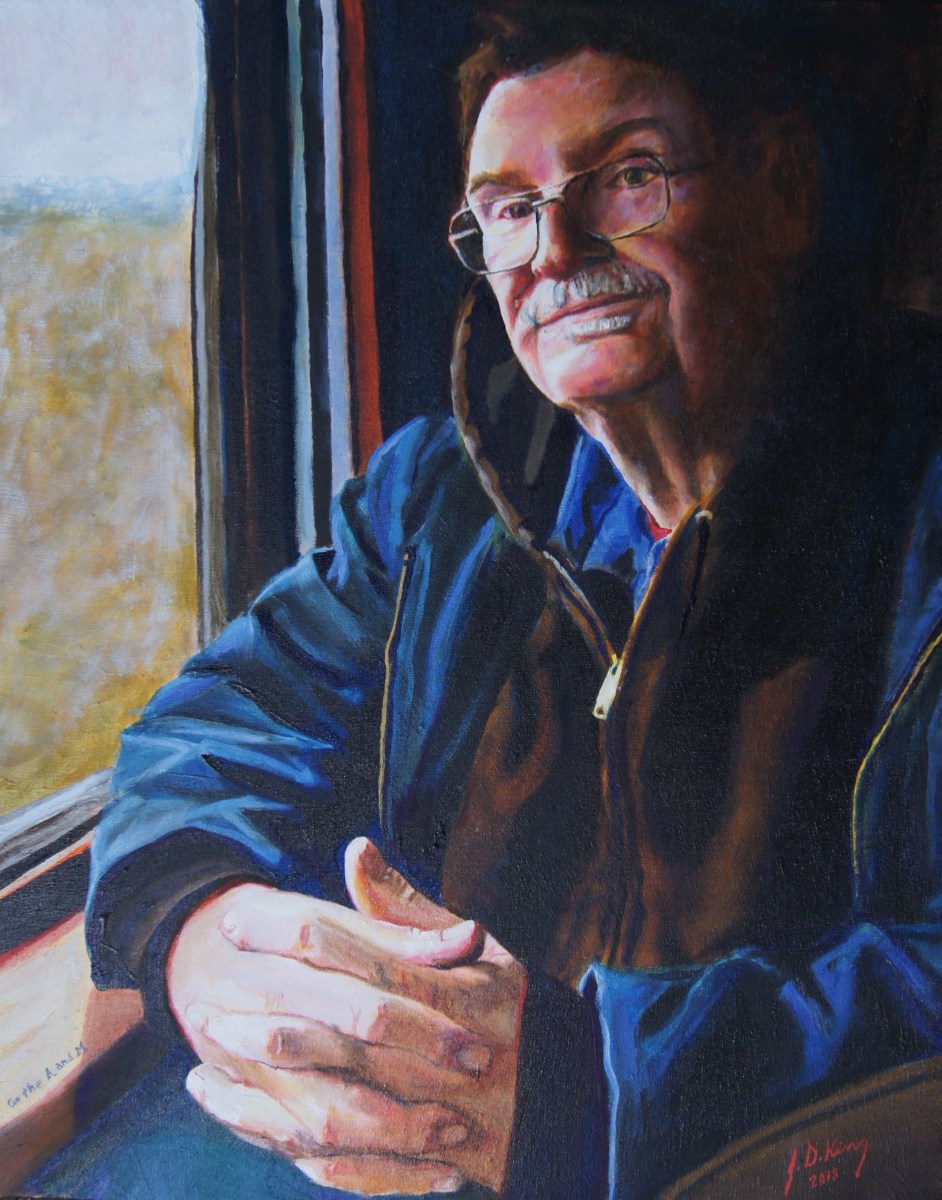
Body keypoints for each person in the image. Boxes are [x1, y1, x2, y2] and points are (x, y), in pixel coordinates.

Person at [29, 3, 942, 1198]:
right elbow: (215, 724)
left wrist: (583, 1086)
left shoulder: (917, 505)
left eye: (628, 177)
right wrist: (204, 928)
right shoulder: (440, 494)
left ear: (779, 192)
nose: (554, 249)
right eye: (509, 210)